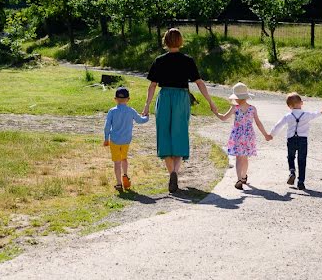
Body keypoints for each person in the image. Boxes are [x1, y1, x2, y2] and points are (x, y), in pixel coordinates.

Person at [142, 28, 219, 193]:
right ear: (180, 41)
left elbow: (152, 85)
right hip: (181, 99)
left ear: (165, 41)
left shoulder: (159, 60)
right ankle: (175, 173)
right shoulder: (188, 60)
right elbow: (199, 83)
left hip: (164, 98)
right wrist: (210, 102)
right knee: (179, 134)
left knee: (164, 135)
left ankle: (171, 174)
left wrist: (147, 105)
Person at [216, 82, 272, 189]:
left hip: (237, 135)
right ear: (246, 96)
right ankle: (243, 177)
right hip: (248, 135)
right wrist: (265, 134)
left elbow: (223, 118)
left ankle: (238, 179)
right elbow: (258, 123)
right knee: (245, 157)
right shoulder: (252, 108)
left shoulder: (235, 108)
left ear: (236, 97)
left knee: (238, 158)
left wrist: (216, 112)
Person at [268, 92, 322, 190]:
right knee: (302, 160)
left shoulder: (288, 115)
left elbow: (278, 125)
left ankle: (292, 171)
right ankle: (301, 182)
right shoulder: (306, 115)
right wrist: (321, 112)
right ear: (301, 103)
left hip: (291, 139)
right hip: (303, 140)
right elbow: (314, 115)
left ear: (289, 106)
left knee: (291, 157)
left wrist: (271, 135)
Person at [103, 86, 149, 191]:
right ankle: (125, 175)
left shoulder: (112, 111)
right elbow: (140, 121)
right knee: (124, 159)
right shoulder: (131, 111)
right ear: (128, 99)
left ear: (115, 99)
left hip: (114, 141)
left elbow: (106, 127)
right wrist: (147, 116)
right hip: (126, 140)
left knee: (116, 162)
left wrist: (106, 139)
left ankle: (119, 183)